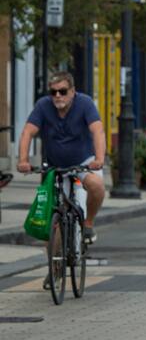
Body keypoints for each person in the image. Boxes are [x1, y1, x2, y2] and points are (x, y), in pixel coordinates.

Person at [17, 71, 107, 245]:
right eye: (53, 92)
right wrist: (22, 160)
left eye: (63, 91)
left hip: (84, 162)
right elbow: (28, 132)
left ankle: (88, 224)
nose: (58, 96)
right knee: (53, 218)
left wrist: (99, 159)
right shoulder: (43, 106)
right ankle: (54, 268)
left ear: (72, 91)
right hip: (55, 167)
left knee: (96, 185)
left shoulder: (85, 103)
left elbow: (97, 130)